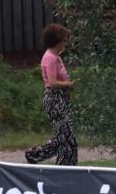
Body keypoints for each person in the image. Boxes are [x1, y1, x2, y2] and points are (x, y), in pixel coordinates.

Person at [25, 24, 78, 166]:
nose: (66, 43)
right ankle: (64, 170)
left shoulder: (57, 57)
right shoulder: (50, 58)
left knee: (65, 138)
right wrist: (67, 84)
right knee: (66, 141)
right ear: (57, 41)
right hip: (54, 100)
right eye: (64, 40)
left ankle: (35, 154)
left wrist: (68, 86)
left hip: (62, 98)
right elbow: (52, 82)